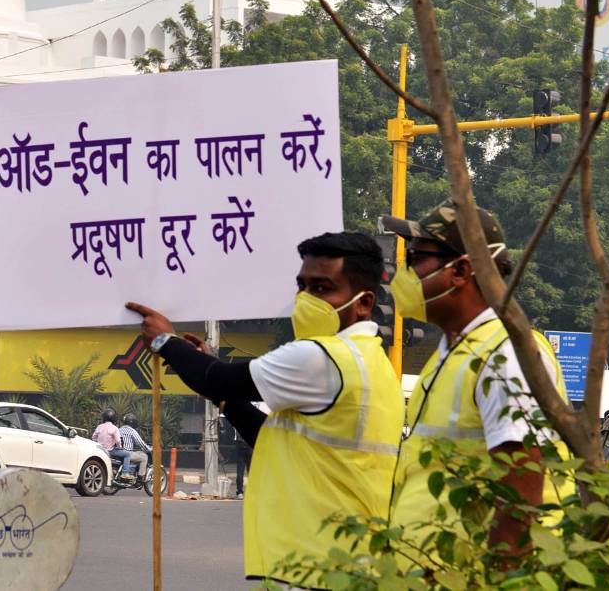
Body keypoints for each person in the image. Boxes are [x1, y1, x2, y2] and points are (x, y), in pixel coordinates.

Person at [126, 231, 404, 585]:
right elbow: (270, 436)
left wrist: (165, 341)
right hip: (347, 560)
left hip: (319, 562)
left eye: (322, 288)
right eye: (301, 286)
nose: (305, 299)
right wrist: (217, 387)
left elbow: (218, 379)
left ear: (364, 303)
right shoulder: (372, 363)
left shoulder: (323, 357)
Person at [381, 200, 569, 563]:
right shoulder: (454, 349)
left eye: (416, 258)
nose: (402, 274)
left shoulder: (505, 354)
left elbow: (521, 487)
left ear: (460, 270)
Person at [92, 408, 134, 481]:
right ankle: (124, 473)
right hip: (110, 451)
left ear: (104, 417)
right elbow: (118, 441)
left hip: (99, 450)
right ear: (114, 418)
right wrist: (120, 447)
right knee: (127, 454)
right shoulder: (114, 428)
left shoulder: (99, 426)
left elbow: (93, 437)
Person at [118, 413, 152, 480]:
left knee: (138, 453)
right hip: (128, 453)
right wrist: (149, 449)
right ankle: (140, 477)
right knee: (144, 457)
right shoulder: (132, 431)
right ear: (132, 422)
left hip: (118, 453)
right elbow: (141, 443)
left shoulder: (119, 429)